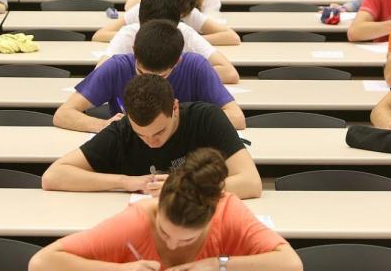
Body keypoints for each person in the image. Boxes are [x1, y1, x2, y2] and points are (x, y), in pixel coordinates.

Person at [30, 146, 298, 271]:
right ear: (158, 206)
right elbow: (43, 261)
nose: (171, 245)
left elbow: (291, 264)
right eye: (165, 231)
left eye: (186, 240)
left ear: (211, 216)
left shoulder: (228, 212)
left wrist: (216, 264)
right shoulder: (136, 220)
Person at [45, 74, 259, 198]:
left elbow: (251, 183)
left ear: (175, 107)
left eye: (159, 131)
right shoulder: (122, 130)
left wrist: (186, 187)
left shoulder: (207, 118)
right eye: (141, 135)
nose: (152, 142)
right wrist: (125, 182)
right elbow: (53, 176)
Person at [54, 21, 245, 133]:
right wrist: (103, 125)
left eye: (162, 76)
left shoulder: (196, 67)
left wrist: (174, 125)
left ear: (178, 61)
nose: (151, 83)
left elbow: (237, 117)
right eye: (142, 73)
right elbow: (63, 114)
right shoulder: (116, 67)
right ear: (134, 52)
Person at [103, 0, 238, 84]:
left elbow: (229, 73)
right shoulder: (127, 34)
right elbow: (100, 73)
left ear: (177, 25)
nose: (159, 39)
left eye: (166, 32)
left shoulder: (185, 33)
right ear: (140, 24)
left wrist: (175, 74)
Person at [94, 0, 239, 47]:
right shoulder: (144, 8)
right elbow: (100, 35)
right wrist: (138, 36)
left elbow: (232, 37)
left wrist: (191, 40)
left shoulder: (190, 14)